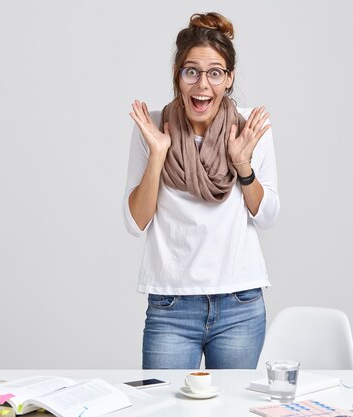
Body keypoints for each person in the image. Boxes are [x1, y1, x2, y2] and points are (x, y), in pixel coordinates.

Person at [123, 12, 280, 369]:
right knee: (164, 408)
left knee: (235, 409)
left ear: (229, 78)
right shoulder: (154, 126)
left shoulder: (249, 127)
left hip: (239, 303)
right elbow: (135, 222)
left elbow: (268, 215)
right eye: (191, 71)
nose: (202, 85)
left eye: (215, 73)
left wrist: (242, 164)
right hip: (172, 306)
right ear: (178, 76)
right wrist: (158, 155)